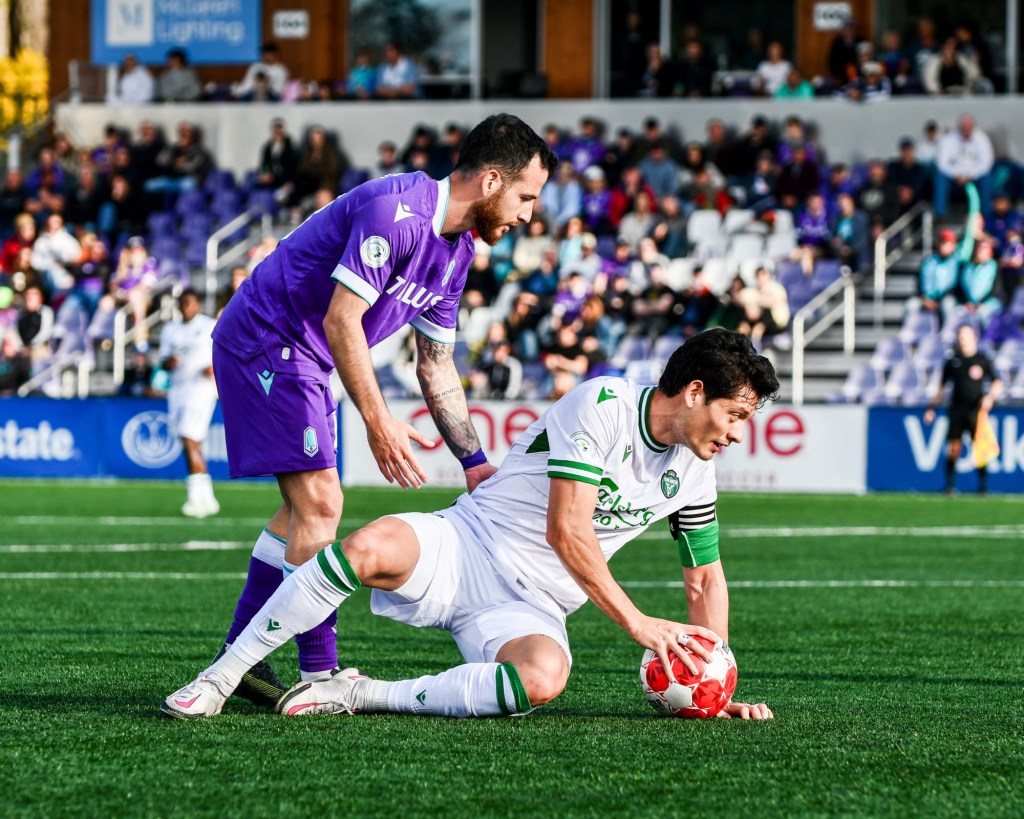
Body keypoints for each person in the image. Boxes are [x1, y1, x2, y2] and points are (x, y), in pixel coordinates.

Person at [162, 328, 779, 721]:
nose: (734, 433)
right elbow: (569, 531)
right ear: (695, 392)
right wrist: (638, 623)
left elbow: (704, 581)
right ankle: (220, 678)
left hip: (533, 606)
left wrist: (714, 680)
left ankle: (357, 692)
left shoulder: (695, 472)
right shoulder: (605, 406)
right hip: (466, 545)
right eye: (735, 414)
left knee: (543, 679)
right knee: (367, 545)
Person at [167, 114, 557, 708]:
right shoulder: (396, 211)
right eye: (526, 196)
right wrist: (377, 422)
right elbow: (341, 319)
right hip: (269, 335)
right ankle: (319, 671)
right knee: (323, 503)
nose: (529, 214)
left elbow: (435, 363)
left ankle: (236, 659)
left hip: (310, 355)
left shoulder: (458, 253)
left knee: (299, 511)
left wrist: (475, 461)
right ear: (491, 180)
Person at [158, 289, 220, 516]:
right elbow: (162, 361)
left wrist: (214, 367)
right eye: (182, 303)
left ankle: (195, 498)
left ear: (198, 304)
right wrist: (169, 363)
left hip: (201, 389)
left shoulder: (208, 326)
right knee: (191, 442)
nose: (186, 307)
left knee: (189, 438)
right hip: (177, 389)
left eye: (190, 303)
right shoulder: (170, 329)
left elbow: (223, 351)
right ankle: (208, 498)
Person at [924, 324, 1001, 495]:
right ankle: (949, 485)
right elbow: (941, 388)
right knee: (954, 447)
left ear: (974, 337)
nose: (962, 339)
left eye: (966, 336)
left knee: (979, 448)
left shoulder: (982, 359)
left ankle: (983, 487)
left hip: (976, 411)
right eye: (960, 336)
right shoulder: (953, 361)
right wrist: (932, 408)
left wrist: (989, 398)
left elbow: (997, 383)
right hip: (957, 410)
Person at [933, 115, 993, 220]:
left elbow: (986, 163)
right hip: (953, 179)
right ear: (959, 126)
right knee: (939, 179)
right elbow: (942, 164)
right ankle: (940, 215)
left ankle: (985, 215)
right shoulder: (948, 139)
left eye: (968, 126)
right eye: (963, 126)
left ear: (973, 127)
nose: (966, 129)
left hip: (974, 179)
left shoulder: (982, 139)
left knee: (986, 180)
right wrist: (957, 175)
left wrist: (969, 175)